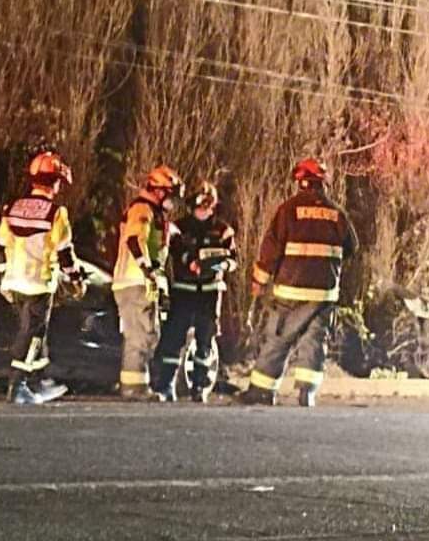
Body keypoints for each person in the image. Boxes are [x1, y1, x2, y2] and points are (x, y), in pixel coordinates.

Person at [240, 158, 358, 407]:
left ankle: (262, 391)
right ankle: (307, 393)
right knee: (314, 341)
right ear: (322, 184)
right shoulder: (337, 213)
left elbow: (271, 249)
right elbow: (351, 247)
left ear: (300, 182)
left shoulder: (288, 210)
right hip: (323, 294)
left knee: (279, 337)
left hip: (290, 290)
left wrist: (259, 281)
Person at [0, 151, 86, 405]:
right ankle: (19, 385)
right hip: (38, 283)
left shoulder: (12, 208)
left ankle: (37, 381)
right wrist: (77, 278)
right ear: (55, 182)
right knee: (32, 334)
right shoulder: (56, 213)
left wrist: (4, 277)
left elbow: (0, 246)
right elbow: (64, 253)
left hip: (14, 283)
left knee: (32, 333)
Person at [153, 181, 237, 402]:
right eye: (200, 203)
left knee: (205, 341)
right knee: (174, 339)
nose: (204, 208)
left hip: (210, 293)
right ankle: (166, 385)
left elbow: (232, 261)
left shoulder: (223, 230)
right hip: (184, 290)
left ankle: (199, 386)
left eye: (208, 203)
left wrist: (213, 266)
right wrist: (190, 262)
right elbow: (175, 251)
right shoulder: (180, 227)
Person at [112, 165, 184, 400]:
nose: (172, 201)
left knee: (147, 334)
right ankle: (133, 387)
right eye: (170, 195)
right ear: (159, 191)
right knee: (139, 336)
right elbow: (135, 240)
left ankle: (138, 385)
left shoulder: (152, 212)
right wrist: (148, 269)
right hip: (135, 281)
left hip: (142, 282)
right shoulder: (142, 209)